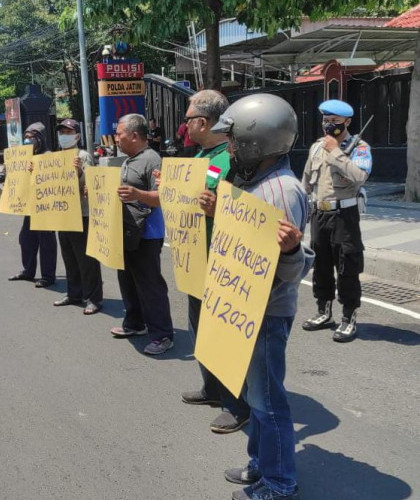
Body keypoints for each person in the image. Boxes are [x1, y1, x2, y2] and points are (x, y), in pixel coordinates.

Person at [210, 93, 314, 500]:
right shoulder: (256, 182)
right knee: (256, 397)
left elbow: (294, 269)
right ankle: (261, 463)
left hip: (266, 314)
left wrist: (290, 250)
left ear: (256, 141)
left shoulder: (281, 191)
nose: (229, 148)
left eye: (234, 140)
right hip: (246, 310)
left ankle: (279, 483)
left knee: (269, 401)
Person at [175, 90, 251, 434]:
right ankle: (212, 388)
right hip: (196, 259)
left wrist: (216, 207)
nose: (186, 125)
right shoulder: (203, 156)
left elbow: (245, 211)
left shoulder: (231, 158)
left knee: (223, 336)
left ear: (203, 122)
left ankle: (238, 405)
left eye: (189, 118)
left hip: (221, 261)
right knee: (200, 330)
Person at [301, 99, 371, 342]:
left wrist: (336, 153)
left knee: (347, 266)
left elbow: (360, 176)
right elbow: (307, 181)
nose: (328, 126)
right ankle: (324, 312)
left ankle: (348, 317)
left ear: (347, 122)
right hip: (320, 213)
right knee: (320, 264)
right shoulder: (317, 147)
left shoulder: (359, 147)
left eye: (334, 122)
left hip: (344, 215)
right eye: (325, 120)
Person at [110, 114, 174, 355]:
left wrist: (137, 194)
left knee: (150, 286)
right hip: (127, 232)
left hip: (147, 233)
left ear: (135, 135)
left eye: (120, 134)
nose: (116, 138)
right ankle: (135, 323)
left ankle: (162, 335)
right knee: (127, 281)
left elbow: (162, 197)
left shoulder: (152, 160)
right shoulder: (128, 160)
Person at [53, 118, 103, 315]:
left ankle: (94, 298)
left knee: (86, 258)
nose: (64, 135)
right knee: (69, 256)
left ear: (77, 136)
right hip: (63, 214)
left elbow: (90, 185)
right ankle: (74, 293)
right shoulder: (56, 158)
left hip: (82, 214)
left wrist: (78, 170)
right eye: (62, 132)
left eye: (68, 131)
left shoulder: (83, 156)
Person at [8, 122, 57, 288]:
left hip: (45, 208)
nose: (28, 140)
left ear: (40, 138)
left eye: (31, 137)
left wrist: (35, 170)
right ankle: (28, 271)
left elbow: (52, 180)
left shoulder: (48, 155)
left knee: (46, 243)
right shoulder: (26, 156)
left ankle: (48, 276)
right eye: (26, 137)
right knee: (26, 239)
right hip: (30, 206)